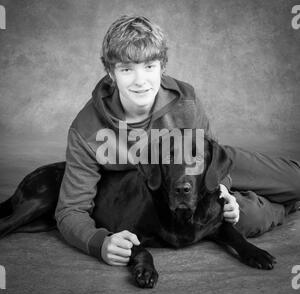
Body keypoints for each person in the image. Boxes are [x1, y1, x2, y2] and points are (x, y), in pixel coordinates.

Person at [55, 15, 300, 267]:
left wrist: (225, 190)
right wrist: (98, 242)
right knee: (248, 219)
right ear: (110, 72)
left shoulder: (186, 100)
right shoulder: (84, 130)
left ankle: (282, 196)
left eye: (149, 66)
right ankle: (288, 206)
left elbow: (211, 162)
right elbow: (70, 210)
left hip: (203, 167)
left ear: (162, 66)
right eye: (127, 69)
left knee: (295, 181)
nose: (140, 81)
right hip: (164, 189)